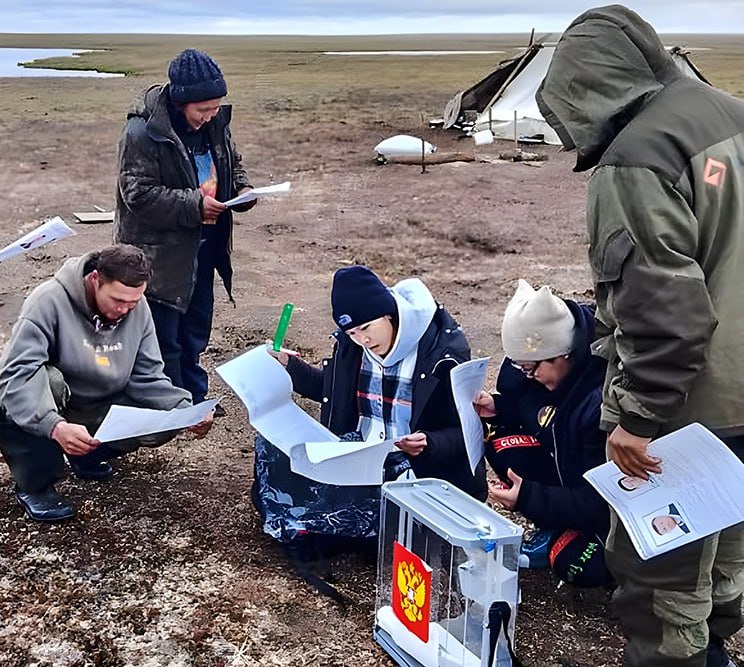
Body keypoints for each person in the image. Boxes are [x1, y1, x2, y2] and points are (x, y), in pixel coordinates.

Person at [536, 5, 744, 666]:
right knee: (723, 566)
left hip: (689, 417)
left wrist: (637, 419)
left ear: (586, 89)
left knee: (662, 589)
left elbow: (663, 310)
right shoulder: (732, 115)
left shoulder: (637, 158)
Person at [252, 265, 486, 560]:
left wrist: (429, 442)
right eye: (351, 332)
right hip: (361, 454)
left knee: (361, 534)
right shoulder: (353, 348)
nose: (362, 340)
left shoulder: (441, 353)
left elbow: (468, 433)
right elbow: (336, 391)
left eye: (366, 328)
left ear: (388, 314)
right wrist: (291, 367)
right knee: (275, 451)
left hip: (414, 468)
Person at [0, 245, 213, 523]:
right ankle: (35, 484)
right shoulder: (48, 301)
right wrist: (54, 426)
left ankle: (86, 455)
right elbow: (18, 374)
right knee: (48, 381)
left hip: (97, 402)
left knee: (166, 414)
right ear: (95, 280)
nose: (124, 309)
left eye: (132, 303)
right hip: (51, 401)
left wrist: (186, 410)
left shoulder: (136, 307)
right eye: (117, 300)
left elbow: (148, 376)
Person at [114, 48, 255, 409]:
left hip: (203, 246)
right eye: (202, 109)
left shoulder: (215, 125)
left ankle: (194, 396)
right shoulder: (143, 132)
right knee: (165, 335)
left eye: (215, 108)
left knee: (195, 327)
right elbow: (138, 194)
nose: (209, 116)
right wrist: (194, 206)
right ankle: (171, 405)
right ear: (180, 103)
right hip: (159, 255)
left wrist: (242, 188)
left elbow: (231, 161)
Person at [473, 280, 611, 588]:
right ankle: (555, 526)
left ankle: (572, 535)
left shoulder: (598, 405)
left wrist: (528, 497)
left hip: (603, 505)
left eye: (530, 369)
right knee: (501, 442)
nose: (528, 376)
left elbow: (600, 502)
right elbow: (536, 408)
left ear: (562, 354)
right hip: (568, 473)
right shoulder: (545, 373)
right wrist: (499, 407)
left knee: (576, 565)